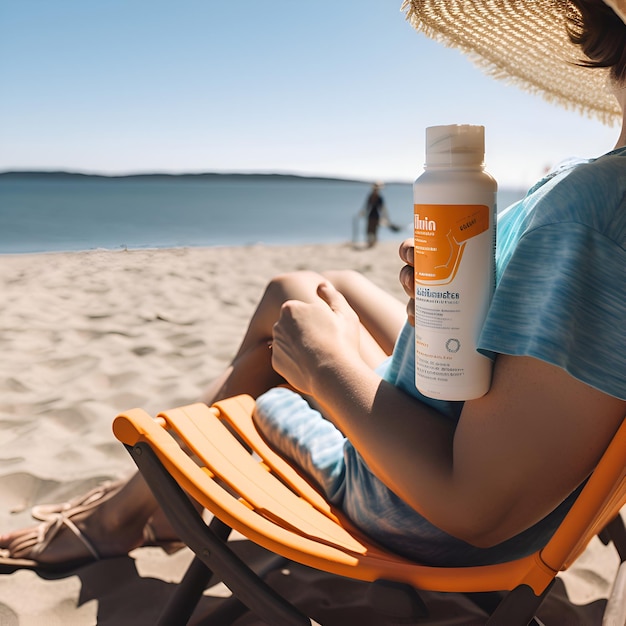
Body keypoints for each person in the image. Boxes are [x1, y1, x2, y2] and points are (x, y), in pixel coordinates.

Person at [1, 0, 625, 571]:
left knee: (281, 339)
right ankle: (143, 506)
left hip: (411, 507)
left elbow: (472, 509)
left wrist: (323, 366)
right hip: (479, 432)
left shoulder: (592, 214)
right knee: (318, 284)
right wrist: (474, 294)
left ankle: (128, 512)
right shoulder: (598, 199)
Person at [361, 182, 389, 247]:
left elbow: (382, 209)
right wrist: (364, 212)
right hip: (371, 216)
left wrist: (385, 217)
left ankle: (373, 243)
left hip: (376, 216)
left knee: (374, 230)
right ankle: (370, 243)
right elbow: (367, 206)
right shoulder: (371, 196)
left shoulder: (379, 198)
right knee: (369, 230)